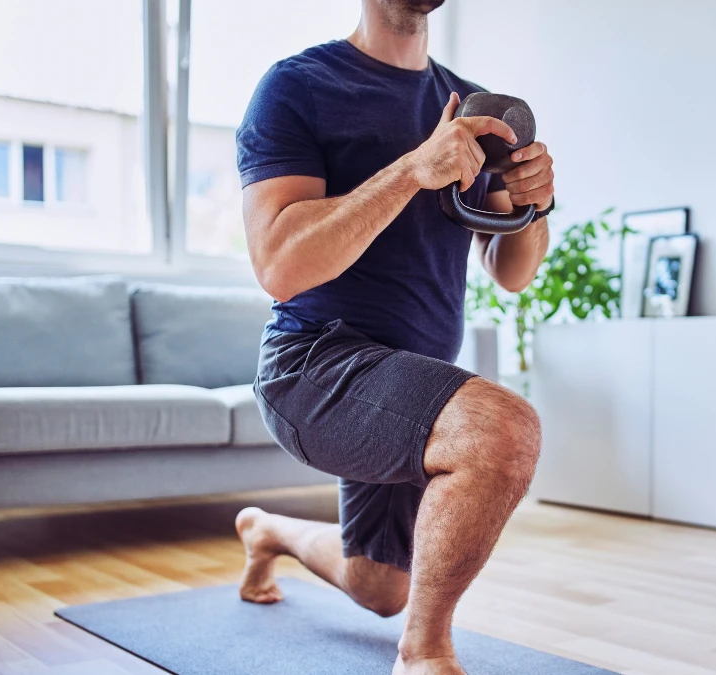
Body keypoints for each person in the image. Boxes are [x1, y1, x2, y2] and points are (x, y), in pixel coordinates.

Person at [233, 0, 556, 673]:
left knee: (380, 585)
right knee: (502, 430)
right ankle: (424, 653)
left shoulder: (470, 106)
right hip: (312, 364)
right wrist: (413, 169)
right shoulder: (298, 87)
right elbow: (279, 266)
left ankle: (268, 530)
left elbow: (513, 272)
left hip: (409, 380)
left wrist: (533, 204)